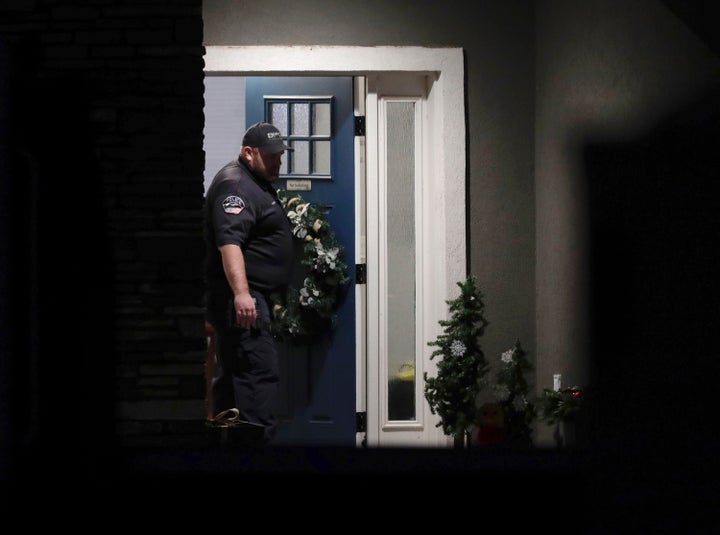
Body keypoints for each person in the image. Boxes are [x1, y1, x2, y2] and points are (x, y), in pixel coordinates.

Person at [203, 122, 294, 446]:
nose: (278, 162)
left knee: (233, 388)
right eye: (271, 156)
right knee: (258, 383)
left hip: (247, 299)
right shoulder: (236, 186)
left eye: (280, 156)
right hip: (242, 303)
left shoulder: (252, 181)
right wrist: (242, 294)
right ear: (248, 153)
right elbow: (230, 244)